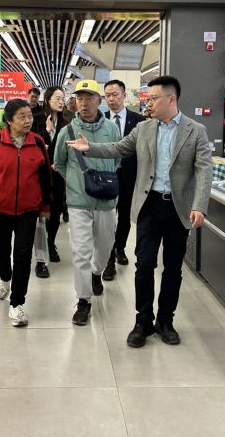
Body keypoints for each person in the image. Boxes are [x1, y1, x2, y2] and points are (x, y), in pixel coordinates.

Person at [67, 76, 212, 347]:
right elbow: (118, 148)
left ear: (171, 99)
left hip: (179, 209)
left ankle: (166, 321)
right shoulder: (144, 128)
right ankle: (142, 321)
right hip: (149, 206)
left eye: (153, 98)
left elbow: (204, 170)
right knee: (144, 265)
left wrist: (199, 205)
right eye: (147, 99)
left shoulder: (196, 131)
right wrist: (90, 149)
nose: (148, 103)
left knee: (172, 268)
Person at [0, 99, 52, 327]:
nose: (27, 121)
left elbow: (46, 177)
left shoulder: (37, 142)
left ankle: (17, 303)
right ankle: (5, 276)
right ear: (9, 120)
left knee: (23, 255)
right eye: (21, 117)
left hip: (28, 210)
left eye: (29, 116)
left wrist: (45, 206)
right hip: (0, 208)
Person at [53, 79, 120, 325]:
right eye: (80, 98)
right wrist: (76, 183)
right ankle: (83, 301)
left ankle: (96, 272)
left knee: (104, 247)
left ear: (98, 101)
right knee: (80, 252)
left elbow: (118, 158)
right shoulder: (67, 132)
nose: (84, 103)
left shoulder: (112, 129)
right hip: (78, 202)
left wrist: (103, 180)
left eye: (89, 98)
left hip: (106, 201)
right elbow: (59, 163)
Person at [102, 79, 144, 281]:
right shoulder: (100, 120)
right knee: (108, 217)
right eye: (107, 95)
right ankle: (108, 258)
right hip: (107, 176)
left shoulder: (139, 121)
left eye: (115, 94)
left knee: (125, 216)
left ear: (124, 95)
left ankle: (120, 248)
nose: (111, 99)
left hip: (129, 175)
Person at [32, 86, 70, 269]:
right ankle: (40, 254)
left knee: (55, 212)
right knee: (39, 213)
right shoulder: (36, 119)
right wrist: (46, 131)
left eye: (63, 98)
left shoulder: (66, 122)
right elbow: (32, 143)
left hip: (58, 175)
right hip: (38, 174)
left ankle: (51, 243)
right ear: (47, 99)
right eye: (58, 98)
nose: (61, 102)